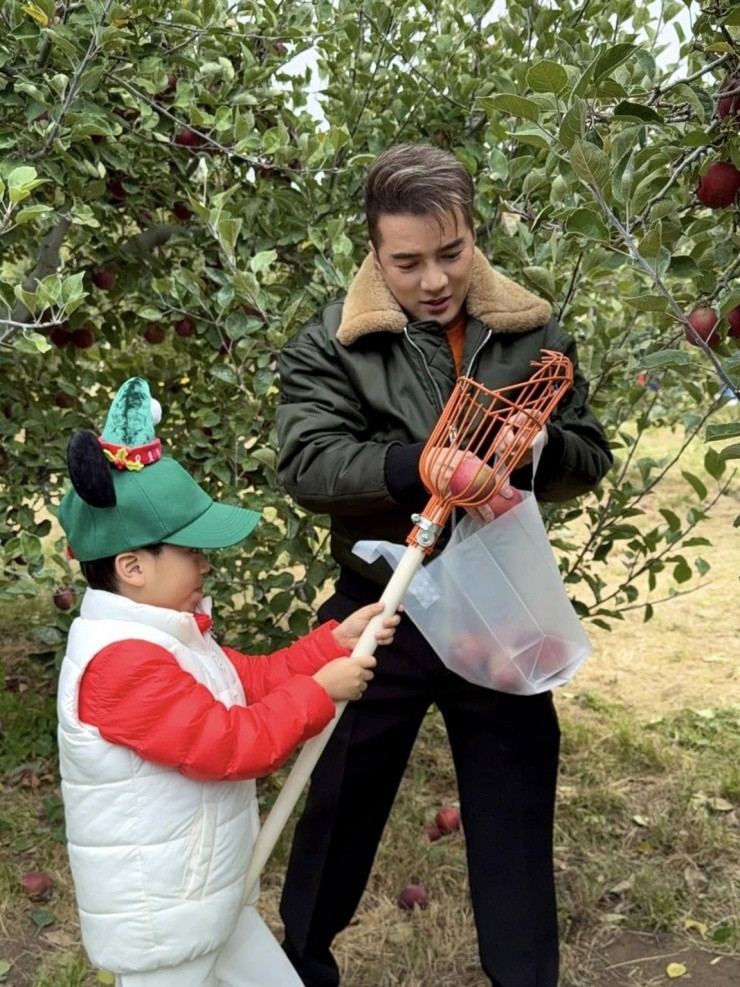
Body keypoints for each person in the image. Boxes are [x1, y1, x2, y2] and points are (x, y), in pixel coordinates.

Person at [275, 144, 613, 987]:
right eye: (408, 261)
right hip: (381, 607)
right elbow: (308, 462)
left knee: (513, 810)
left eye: (451, 252)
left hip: (497, 608)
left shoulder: (527, 330)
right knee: (339, 804)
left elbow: (590, 453)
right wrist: (416, 464)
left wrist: (537, 451)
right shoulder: (334, 341)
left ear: (473, 232)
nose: (434, 279)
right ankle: (299, 963)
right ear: (374, 252)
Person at [55, 376, 400, 987]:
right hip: (162, 920)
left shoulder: (169, 634)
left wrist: (330, 645)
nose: (207, 562)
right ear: (132, 567)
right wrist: (323, 691)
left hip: (205, 898)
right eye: (191, 550)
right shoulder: (122, 665)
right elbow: (231, 745)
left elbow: (250, 680)